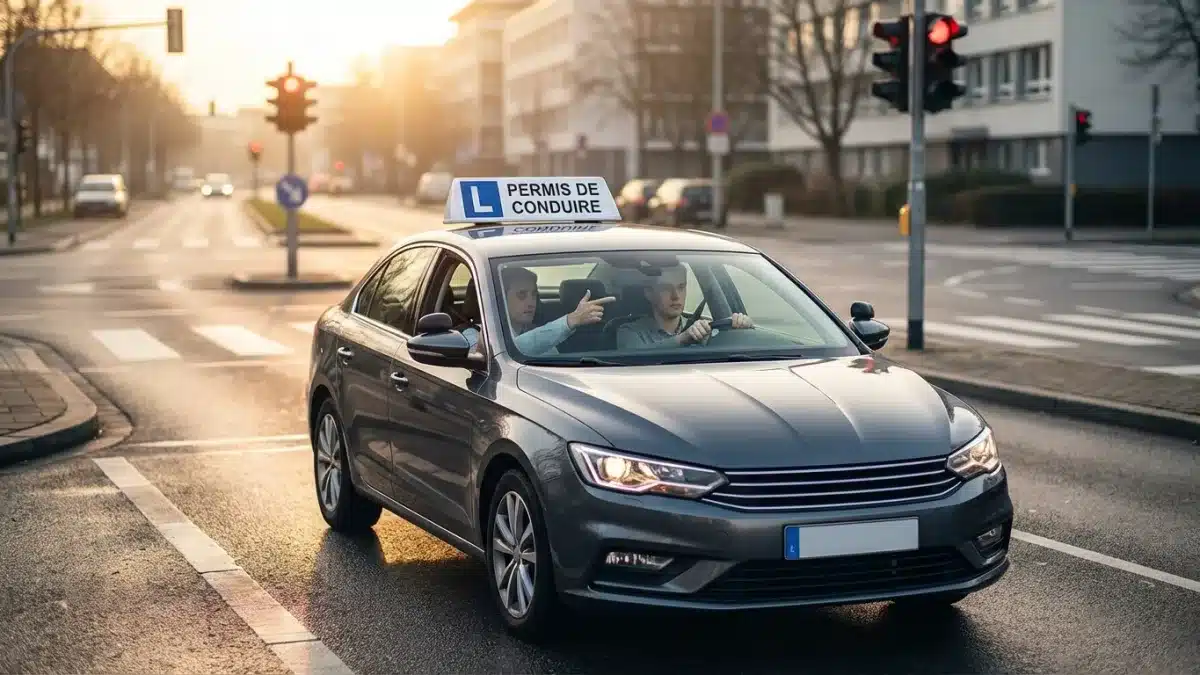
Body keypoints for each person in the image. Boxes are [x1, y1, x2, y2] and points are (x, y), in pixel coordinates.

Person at [462, 266, 615, 355]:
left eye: (534, 295)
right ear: (499, 299)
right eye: (522, 295)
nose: (531, 302)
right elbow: (509, 351)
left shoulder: (538, 334)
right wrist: (570, 321)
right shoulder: (471, 336)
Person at [616, 264, 753, 349]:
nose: (676, 296)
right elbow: (639, 357)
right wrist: (683, 339)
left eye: (681, 287)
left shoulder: (708, 328)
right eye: (666, 288)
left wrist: (744, 328)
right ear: (649, 294)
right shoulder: (629, 332)